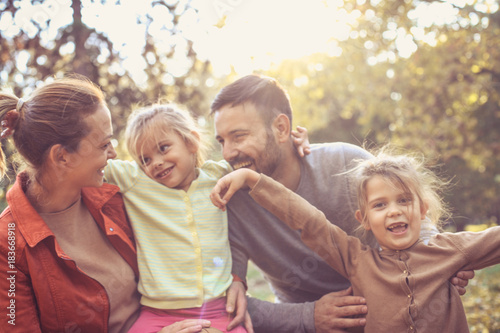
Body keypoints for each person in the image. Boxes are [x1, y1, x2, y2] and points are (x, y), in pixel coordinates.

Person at [209, 74, 475, 332]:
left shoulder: (347, 163)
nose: (228, 153)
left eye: (239, 136)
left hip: (389, 310)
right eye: (222, 140)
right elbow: (224, 304)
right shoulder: (227, 197)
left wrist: (436, 260)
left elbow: (415, 220)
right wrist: (308, 317)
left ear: (281, 128)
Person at [0, 77, 217, 333]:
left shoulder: (115, 194)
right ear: (62, 157)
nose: (113, 153)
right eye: (104, 144)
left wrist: (235, 278)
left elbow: (194, 221)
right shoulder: (8, 244)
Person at [210, 147, 500, 332]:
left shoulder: (450, 251)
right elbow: (308, 220)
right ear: (364, 220)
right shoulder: (356, 260)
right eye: (380, 205)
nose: (394, 211)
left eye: (403, 200)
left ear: (422, 210)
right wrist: (253, 179)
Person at [104, 104, 251, 333]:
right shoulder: (135, 181)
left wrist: (295, 139)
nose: (156, 163)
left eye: (163, 148)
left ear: (191, 142)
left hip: (219, 311)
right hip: (157, 313)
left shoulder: (218, 176)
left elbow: (258, 159)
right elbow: (92, 161)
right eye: (145, 159)